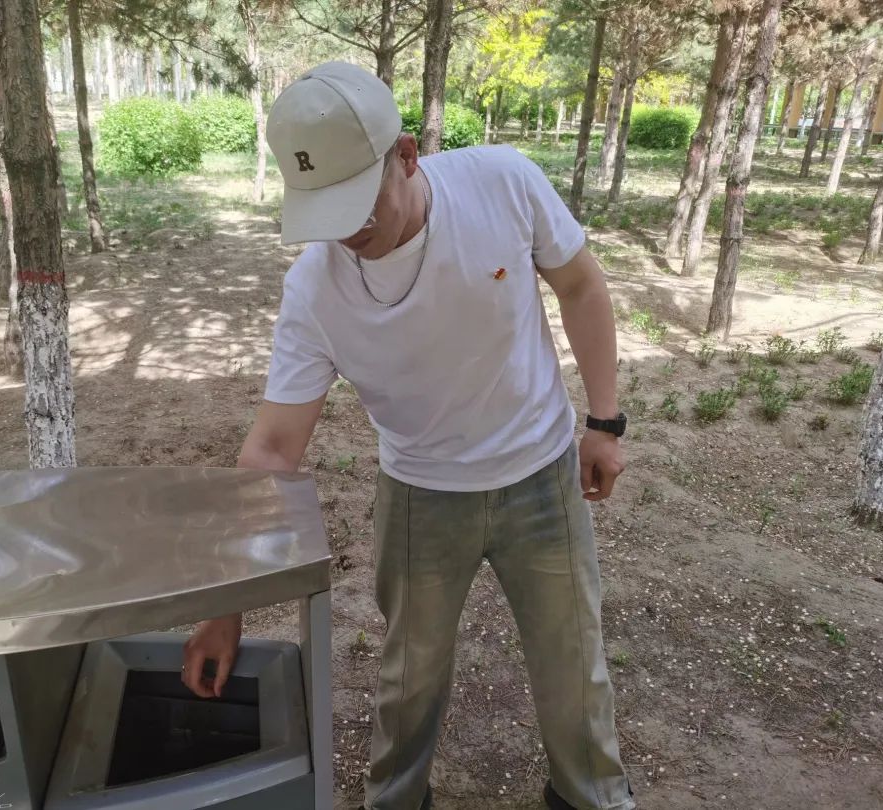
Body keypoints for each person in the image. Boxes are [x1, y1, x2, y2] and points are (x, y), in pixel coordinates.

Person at [181, 61, 635, 810]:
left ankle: (592, 797)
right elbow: (272, 450)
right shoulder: (314, 289)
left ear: (407, 155)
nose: (348, 231)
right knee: (409, 678)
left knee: (573, 662)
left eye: (358, 203)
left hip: (541, 472)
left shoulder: (502, 184)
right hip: (422, 494)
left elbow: (582, 285)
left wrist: (605, 422)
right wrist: (225, 605)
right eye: (324, 212)